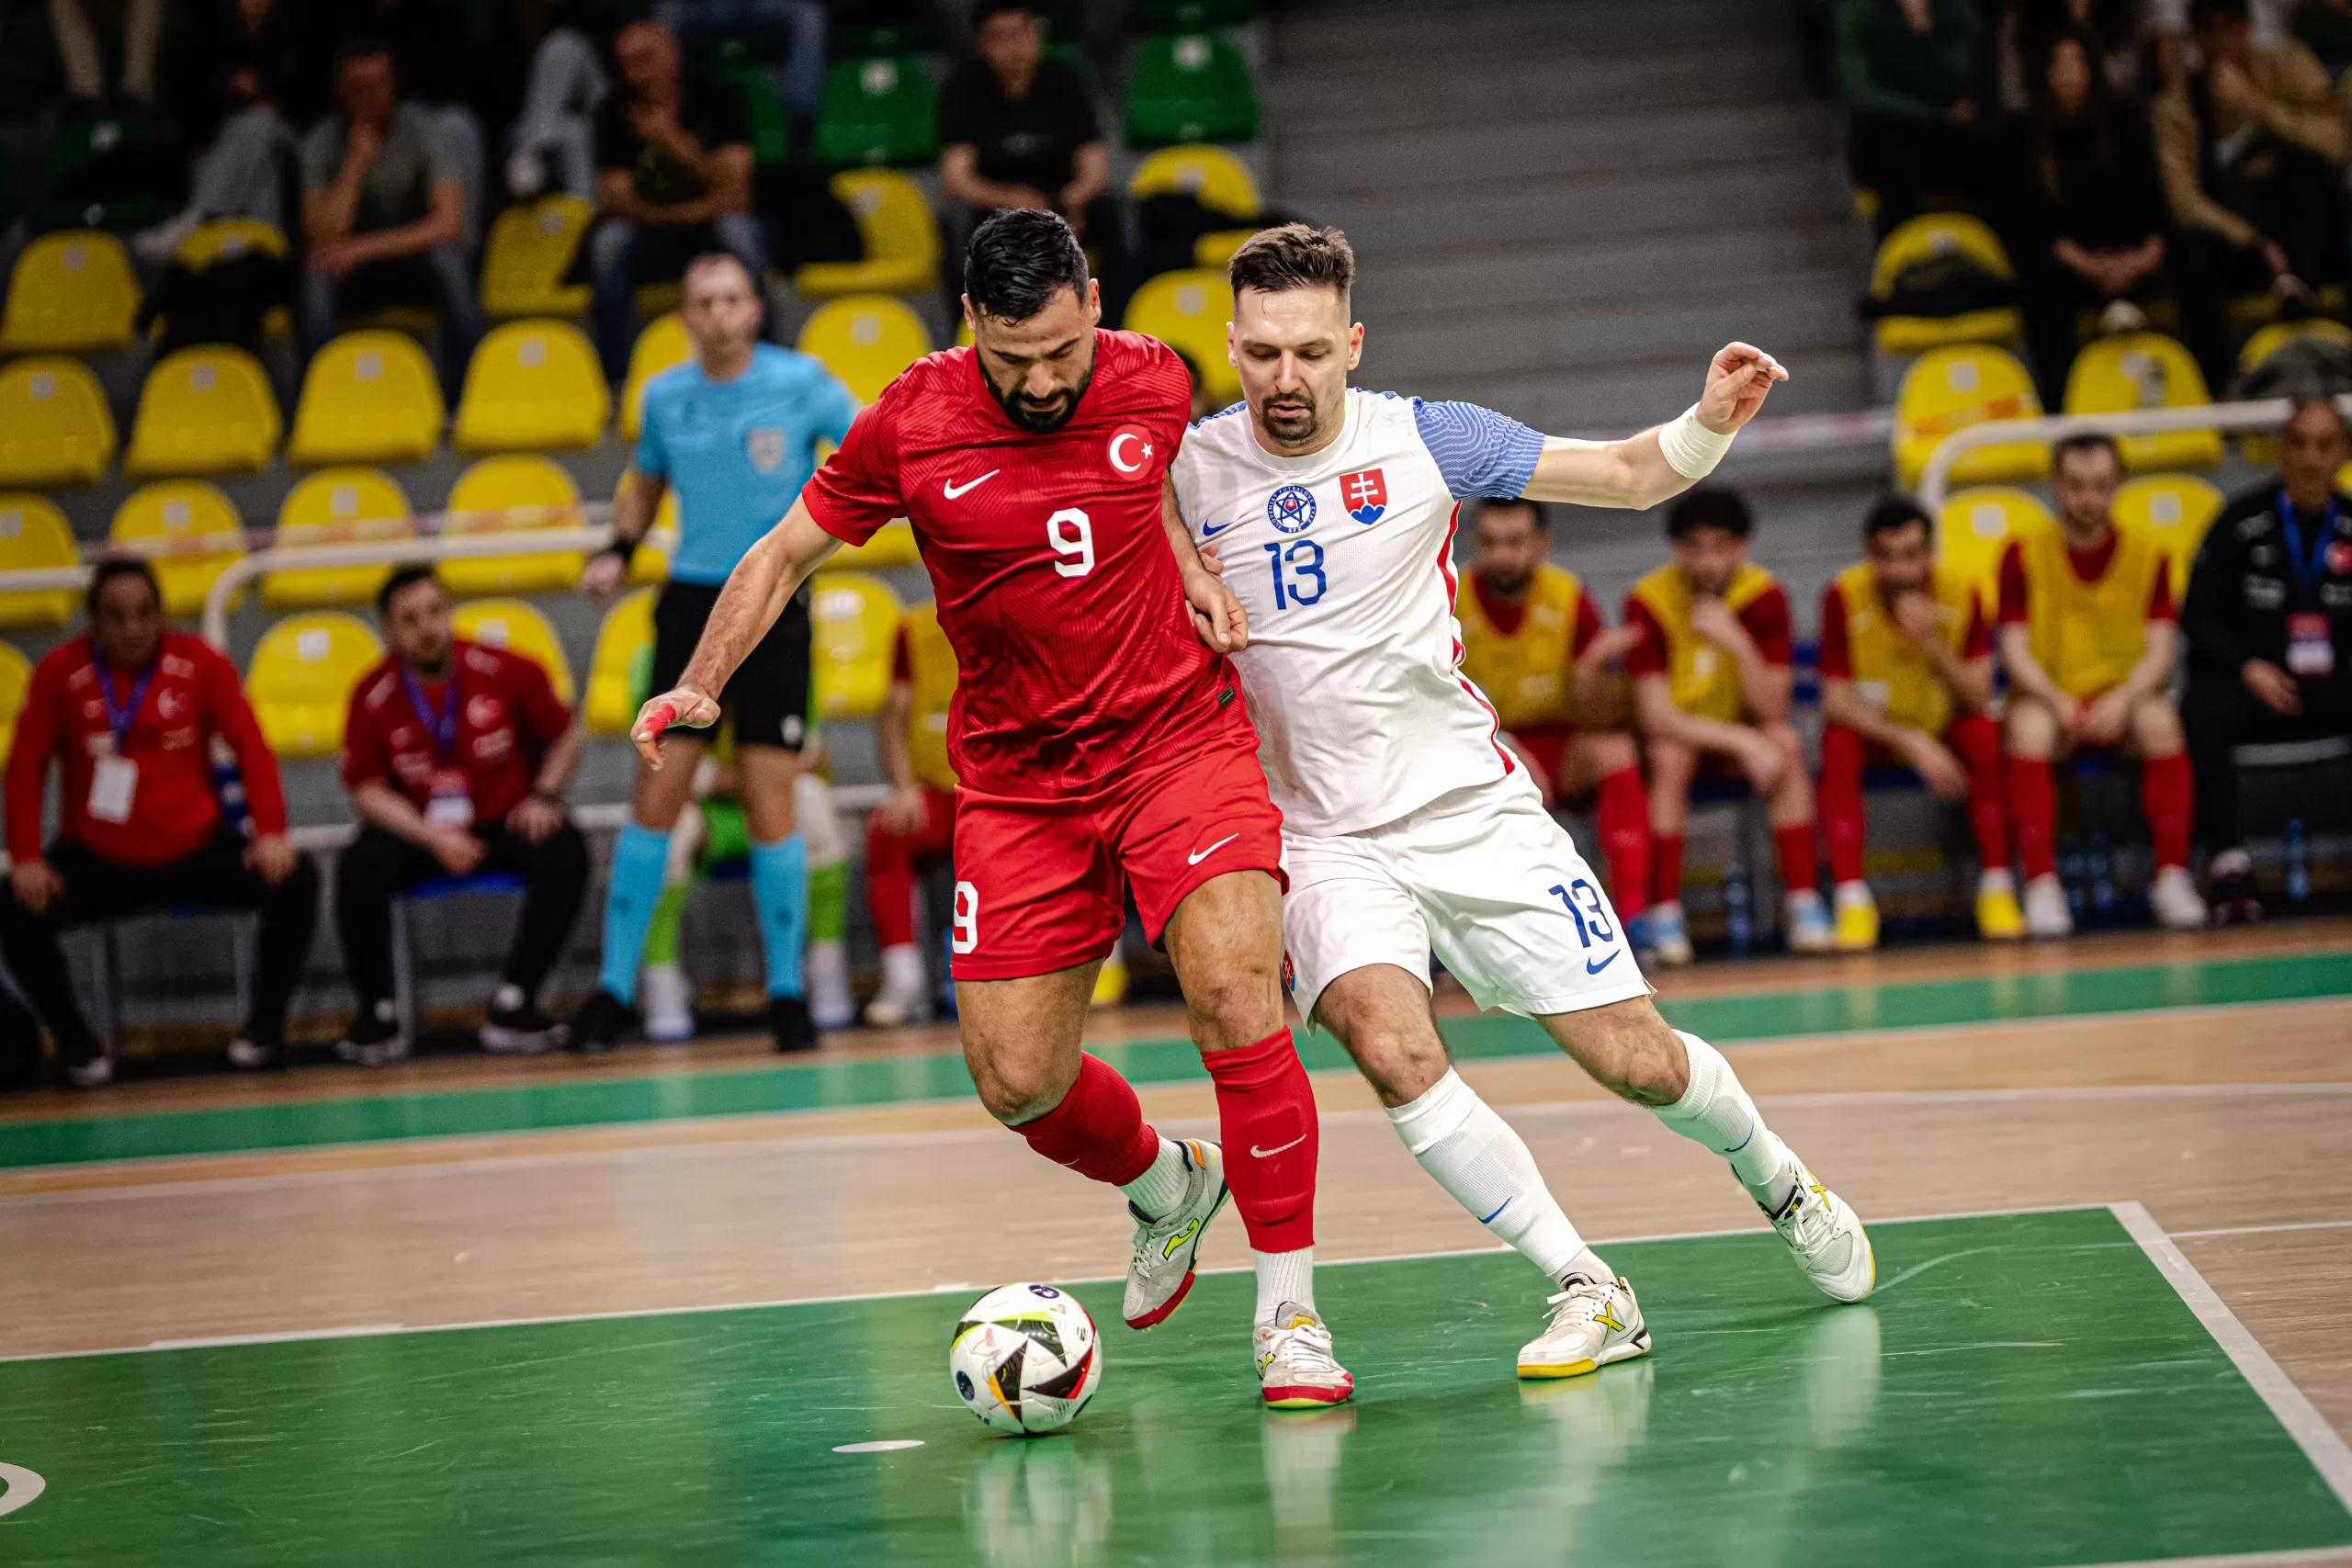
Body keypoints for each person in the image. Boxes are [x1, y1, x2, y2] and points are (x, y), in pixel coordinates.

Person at [631, 210, 1351, 1409]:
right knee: (1018, 1080)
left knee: (1233, 986)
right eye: (1016, 362)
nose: (1045, 382)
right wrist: (704, 679)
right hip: (1019, 780)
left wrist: (1190, 565)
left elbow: (1156, 490)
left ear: (1094, 304)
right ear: (971, 324)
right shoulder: (911, 421)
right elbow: (778, 557)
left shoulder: (1153, 376)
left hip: (1178, 738)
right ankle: (1170, 1183)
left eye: (1063, 351)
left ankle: (1291, 1316)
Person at [1168, 223, 1873, 1386]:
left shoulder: (1429, 439)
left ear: (1351, 343)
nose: (1282, 381)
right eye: (1257, 356)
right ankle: (1587, 1286)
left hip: (1467, 811)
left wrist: (1710, 418)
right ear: (1232, 348)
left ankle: (1780, 1180)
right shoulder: (1190, 469)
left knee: (1637, 1064)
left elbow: (1629, 475)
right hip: (1320, 836)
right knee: (1391, 1048)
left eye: (1306, 352)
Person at [574, 251, 858, 1055]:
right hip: (691, 601)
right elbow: (645, 482)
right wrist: (616, 549)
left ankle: (787, 994)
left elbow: (869, 447)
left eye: (734, 297)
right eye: (705, 301)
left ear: (755, 309)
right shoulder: (663, 396)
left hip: (776, 602)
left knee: (774, 800)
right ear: (687, 317)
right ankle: (613, 991)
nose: (721, 313)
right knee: (654, 800)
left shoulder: (802, 381)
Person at [0, 559, 317, 1086]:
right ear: (94, 621)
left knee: (297, 879)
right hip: (99, 858)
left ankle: (263, 1031)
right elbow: (25, 769)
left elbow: (252, 748)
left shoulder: (199, 664)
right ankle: (76, 1045)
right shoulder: (59, 673)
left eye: (145, 614)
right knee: (13, 905)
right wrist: (28, 857)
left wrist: (271, 832)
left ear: (161, 616)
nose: (132, 629)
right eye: (117, 616)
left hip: (194, 848)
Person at [335, 567, 587, 1061]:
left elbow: (567, 735)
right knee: (357, 866)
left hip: (502, 820)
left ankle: (517, 1001)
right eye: (410, 619)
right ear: (388, 629)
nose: (428, 628)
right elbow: (367, 792)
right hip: (420, 831)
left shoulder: (505, 669)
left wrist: (545, 794)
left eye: (435, 612)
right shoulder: (372, 694)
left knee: (564, 849)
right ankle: (379, 1014)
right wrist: (433, 838)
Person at [1997, 432, 2208, 936]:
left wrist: (2124, 698)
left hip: (2124, 696)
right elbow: (2014, 647)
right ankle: (2043, 885)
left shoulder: (2149, 556)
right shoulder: (2021, 554)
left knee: (2162, 723)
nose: (2086, 499)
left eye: (2099, 486)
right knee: (2028, 731)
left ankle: (2172, 878)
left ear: (2118, 487)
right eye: (2074, 485)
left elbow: (2160, 649)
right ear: (2055, 485)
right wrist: (2056, 699)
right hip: (2048, 696)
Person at [1624, 487, 1834, 965]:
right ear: (1678, 551)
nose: (1708, 563)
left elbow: (1774, 710)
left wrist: (1737, 641)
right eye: (1695, 549)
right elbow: (1656, 717)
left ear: (1742, 548)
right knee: (1669, 755)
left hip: (1741, 738)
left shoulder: (1764, 597)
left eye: (1720, 548)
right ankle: (1665, 912)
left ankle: (1804, 903)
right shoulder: (1649, 601)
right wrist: (1740, 740)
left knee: (1785, 742)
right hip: (1684, 739)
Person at [1816, 495, 2019, 949]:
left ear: (1930, 554)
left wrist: (1932, 641)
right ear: (1870, 556)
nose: (1900, 571)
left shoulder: (1962, 593)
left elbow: (1980, 697)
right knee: (1837, 745)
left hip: (1946, 725)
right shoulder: (1843, 596)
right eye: (1886, 557)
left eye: (1911, 556)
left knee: (1986, 737)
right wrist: (1912, 741)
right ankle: (1852, 899)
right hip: (1879, 730)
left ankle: (1998, 888)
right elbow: (1835, 703)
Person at [2182, 398, 2352, 922]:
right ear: (2280, 451)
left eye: (2324, 445)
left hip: (2335, 684)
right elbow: (2197, 617)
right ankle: (2230, 866)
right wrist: (2246, 667)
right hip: (2256, 683)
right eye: (2298, 443)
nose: (2310, 459)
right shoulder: (2239, 522)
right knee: (2201, 707)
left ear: (2342, 453)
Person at [1453, 496, 1653, 935]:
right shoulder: (1447, 599)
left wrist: (1588, 669)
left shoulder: (1569, 597)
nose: (1502, 555)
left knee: (1616, 752)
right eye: (1490, 542)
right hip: (1479, 749)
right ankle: (1468, 932)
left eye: (1515, 542)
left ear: (1542, 542)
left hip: (1561, 746)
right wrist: (1504, 748)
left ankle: (1634, 918)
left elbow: (1598, 715)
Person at [2154, 0, 2349, 391]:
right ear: (2195, 38)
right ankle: (2221, 390)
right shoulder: (2178, 103)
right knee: (2189, 254)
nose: (2222, 41)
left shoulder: (2289, 65)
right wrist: (2254, 240)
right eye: (2209, 30)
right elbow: (2183, 201)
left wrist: (2256, 104)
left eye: (2230, 27)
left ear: (2248, 29)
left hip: (2307, 230)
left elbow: (2337, 144)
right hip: (2240, 244)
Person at [299, 37, 481, 397]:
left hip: (411, 262)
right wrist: (354, 166)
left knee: (450, 264)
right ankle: (322, 398)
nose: (369, 96)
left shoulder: (425, 128)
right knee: (315, 275)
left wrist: (362, 248)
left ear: (393, 83)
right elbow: (322, 236)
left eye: (377, 84)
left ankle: (466, 396)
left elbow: (450, 223)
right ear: (341, 89)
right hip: (357, 276)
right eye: (357, 87)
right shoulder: (321, 140)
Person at [2000, 26, 2174, 404]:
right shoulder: (2023, 134)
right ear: (2041, 72)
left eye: (2077, 61)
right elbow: (2028, 221)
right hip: (2071, 264)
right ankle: (2059, 405)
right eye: (2058, 64)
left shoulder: (2128, 120)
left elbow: (2155, 198)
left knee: (2195, 258)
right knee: (2039, 286)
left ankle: (2212, 392)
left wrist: (2145, 255)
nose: (2069, 73)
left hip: (2133, 255)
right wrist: (2090, 265)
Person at [586, 19, 763, 382]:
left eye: (645, 59)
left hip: (710, 228)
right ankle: (617, 380)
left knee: (740, 233)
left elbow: (735, 191)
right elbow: (615, 200)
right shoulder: (613, 111)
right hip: (654, 232)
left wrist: (672, 140)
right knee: (608, 244)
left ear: (673, 56)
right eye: (627, 65)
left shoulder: (718, 98)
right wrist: (684, 213)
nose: (637, 75)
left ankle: (765, 359)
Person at [938, 5, 1116, 309]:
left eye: (1022, 33)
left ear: (1038, 35)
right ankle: (971, 327)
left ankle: (1113, 322)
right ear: (983, 44)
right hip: (994, 211)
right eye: (1002, 37)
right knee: (956, 224)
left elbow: (1095, 165)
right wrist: (1013, 201)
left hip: (1059, 203)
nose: (1014, 46)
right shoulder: (963, 89)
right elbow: (957, 178)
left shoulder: (1063, 81)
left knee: (1117, 214)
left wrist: (1074, 197)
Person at [864, 598, 959, 1028]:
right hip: (938, 795)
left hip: (1003, 793)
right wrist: (903, 790)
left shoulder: (1015, 609)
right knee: (887, 831)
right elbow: (894, 714)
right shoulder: (915, 628)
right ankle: (904, 979)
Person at [1835, 0, 1995, 238]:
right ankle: (1900, 256)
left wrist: (1923, 33)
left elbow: (1963, 73)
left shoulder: (1955, 8)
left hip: (1948, 134)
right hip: (1889, 133)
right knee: (1893, 152)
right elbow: (1861, 91)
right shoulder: (1860, 10)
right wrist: (1934, 114)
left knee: (2000, 158)